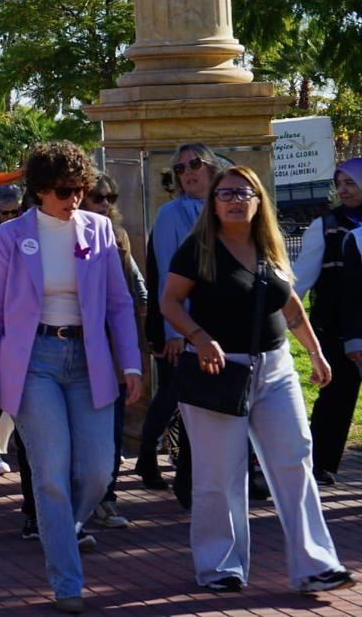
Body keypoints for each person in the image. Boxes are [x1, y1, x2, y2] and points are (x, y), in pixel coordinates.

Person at [158, 166, 353, 596]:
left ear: (259, 199)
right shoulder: (197, 249)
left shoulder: (270, 244)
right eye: (225, 193)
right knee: (219, 474)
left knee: (295, 460)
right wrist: (198, 337)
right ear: (213, 203)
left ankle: (316, 565)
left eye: (244, 192)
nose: (235, 200)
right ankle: (220, 567)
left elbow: (292, 305)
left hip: (276, 367)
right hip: (218, 370)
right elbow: (169, 301)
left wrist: (316, 353)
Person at [0, 142, 142, 614]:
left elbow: (118, 304)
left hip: (88, 360)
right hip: (33, 362)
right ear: (41, 191)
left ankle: (61, 524)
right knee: (50, 473)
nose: (76, 199)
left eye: (82, 189)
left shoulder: (101, 231)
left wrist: (130, 364)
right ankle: (67, 581)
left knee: (95, 472)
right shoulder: (10, 238)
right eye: (66, 191)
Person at [138, 142, 222, 494]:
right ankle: (163, 466)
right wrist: (174, 331)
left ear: (212, 169)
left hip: (220, 325)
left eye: (195, 164)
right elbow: (166, 277)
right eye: (180, 169)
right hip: (182, 325)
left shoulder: (223, 209)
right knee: (176, 397)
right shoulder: (171, 215)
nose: (188, 172)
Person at [80, 174, 146, 530]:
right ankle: (82, 501)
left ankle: (108, 498)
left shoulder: (118, 237)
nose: (104, 203)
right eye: (97, 197)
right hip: (77, 345)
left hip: (113, 345)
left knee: (113, 427)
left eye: (110, 197)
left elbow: (135, 288)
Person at [294, 158, 362, 485]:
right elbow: (301, 279)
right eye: (340, 184)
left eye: (351, 182)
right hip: (334, 326)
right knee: (337, 395)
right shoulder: (326, 225)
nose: (344, 190)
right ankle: (319, 463)